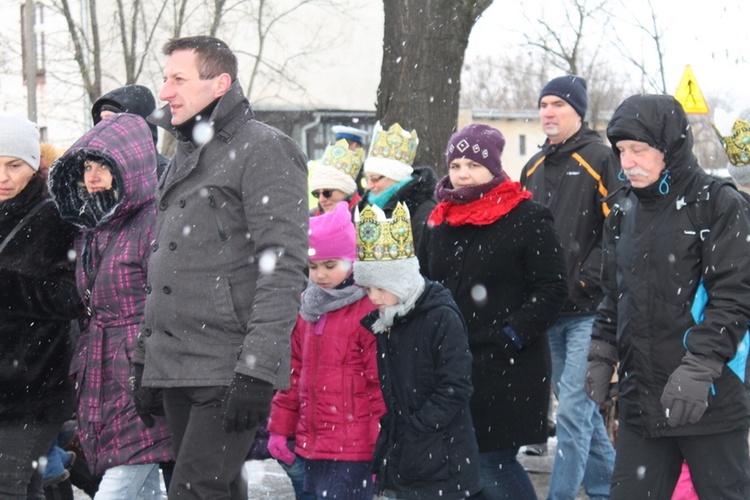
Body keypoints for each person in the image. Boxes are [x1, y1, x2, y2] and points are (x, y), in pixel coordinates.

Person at [134, 36, 309, 499]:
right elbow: (164, 263)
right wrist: (144, 358)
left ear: (220, 84)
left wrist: (255, 370)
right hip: (177, 364)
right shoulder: (184, 156)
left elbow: (284, 268)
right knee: (215, 489)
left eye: (178, 79)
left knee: (194, 491)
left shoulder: (265, 149)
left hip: (229, 364)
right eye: (164, 78)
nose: (165, 91)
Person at [585, 93, 750, 499]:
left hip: (707, 396)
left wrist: (699, 367)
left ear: (670, 147)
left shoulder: (717, 203)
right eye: (621, 151)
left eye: (639, 150)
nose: (627, 162)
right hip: (643, 400)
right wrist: (602, 350)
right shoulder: (623, 210)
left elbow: (734, 296)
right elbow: (614, 294)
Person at [418, 123, 569, 499]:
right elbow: (422, 283)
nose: (462, 173)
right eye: (455, 165)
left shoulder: (527, 217)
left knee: (490, 464)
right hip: (449, 364)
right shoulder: (438, 220)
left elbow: (552, 289)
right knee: (461, 466)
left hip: (507, 368)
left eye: (472, 163)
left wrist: (511, 336)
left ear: (494, 166)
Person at [48, 113, 174, 499]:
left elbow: (167, 298)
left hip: (140, 368)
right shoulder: (94, 225)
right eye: (87, 166)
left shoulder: (153, 220)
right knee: (140, 477)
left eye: (104, 164)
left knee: (122, 480)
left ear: (130, 165)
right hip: (102, 366)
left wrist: (148, 361)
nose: (93, 174)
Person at [519, 75, 621, 500]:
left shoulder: (601, 157)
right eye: (543, 105)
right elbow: (521, 235)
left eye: (558, 104)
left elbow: (617, 229)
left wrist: (584, 279)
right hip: (549, 311)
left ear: (577, 111)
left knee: (574, 414)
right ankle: (610, 489)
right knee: (585, 416)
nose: (548, 113)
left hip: (590, 312)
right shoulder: (532, 167)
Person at [353, 202, 483, 499]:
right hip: (408, 452)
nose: (372, 298)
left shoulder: (440, 316)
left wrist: (419, 428)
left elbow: (456, 384)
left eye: (379, 288)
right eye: (368, 289)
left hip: (442, 455)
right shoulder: (389, 319)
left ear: (401, 280)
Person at [267, 201, 386, 499]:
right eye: (314, 266)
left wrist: (383, 445)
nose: (320, 275)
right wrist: (281, 428)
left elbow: (378, 385)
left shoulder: (368, 310)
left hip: (355, 448)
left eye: (330, 265)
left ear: (352, 260)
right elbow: (292, 376)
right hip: (313, 443)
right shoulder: (308, 308)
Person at [0, 114, 82, 499]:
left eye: (13, 165)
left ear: (34, 165)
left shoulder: (55, 217)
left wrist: (9, 286)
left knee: (10, 486)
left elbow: (76, 296)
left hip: (34, 388)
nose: (3, 176)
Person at [358, 122, 437, 250]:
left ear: (396, 178)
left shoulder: (423, 210)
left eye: (374, 179)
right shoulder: (365, 206)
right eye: (367, 179)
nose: (368, 186)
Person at [91, 84, 171, 179]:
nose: (104, 127)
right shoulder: (98, 173)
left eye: (111, 119)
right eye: (102, 121)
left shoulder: (168, 175)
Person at [309, 139, 365, 215]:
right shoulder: (310, 219)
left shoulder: (367, 217)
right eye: (316, 194)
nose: (321, 199)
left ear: (346, 190)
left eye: (327, 193)